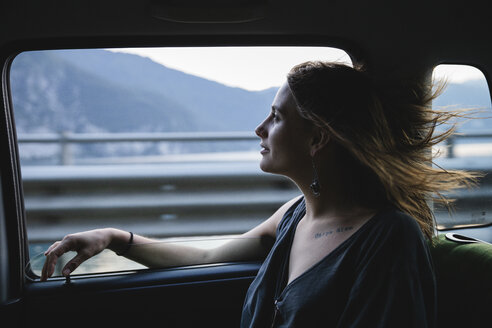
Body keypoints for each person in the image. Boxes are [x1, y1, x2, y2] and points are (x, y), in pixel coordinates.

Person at [41, 61, 476, 327]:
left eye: (275, 117)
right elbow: (208, 258)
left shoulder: (387, 237)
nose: (260, 130)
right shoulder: (293, 216)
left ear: (316, 139)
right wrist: (117, 239)